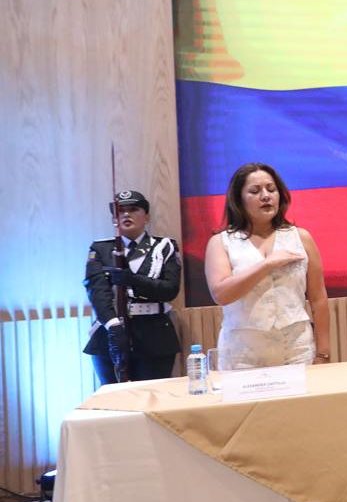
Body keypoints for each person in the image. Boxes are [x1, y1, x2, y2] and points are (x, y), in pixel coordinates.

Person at [204, 163, 331, 369]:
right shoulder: (221, 242)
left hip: (297, 349)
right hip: (242, 354)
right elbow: (222, 294)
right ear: (238, 199)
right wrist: (267, 264)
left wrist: (324, 353)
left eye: (271, 189)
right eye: (255, 191)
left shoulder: (301, 238)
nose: (265, 196)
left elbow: (318, 299)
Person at [82, 190, 181, 384]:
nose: (126, 214)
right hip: (110, 332)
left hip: (154, 334)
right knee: (113, 403)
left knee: (151, 399)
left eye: (133, 209)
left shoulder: (164, 247)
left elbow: (170, 290)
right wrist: (112, 325)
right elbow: (97, 291)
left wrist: (133, 280)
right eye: (120, 211)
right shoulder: (100, 249)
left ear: (146, 216)